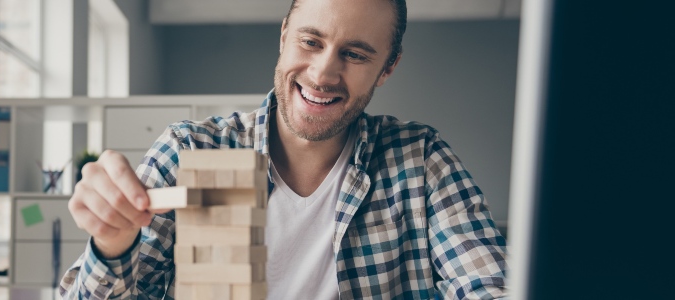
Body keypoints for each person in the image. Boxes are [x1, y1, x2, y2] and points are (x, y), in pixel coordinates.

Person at [59, 0, 507, 298]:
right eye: (310, 42)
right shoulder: (190, 151)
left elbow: (489, 286)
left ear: (387, 68)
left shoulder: (422, 164)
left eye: (355, 54)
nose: (322, 74)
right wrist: (113, 245)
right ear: (284, 36)